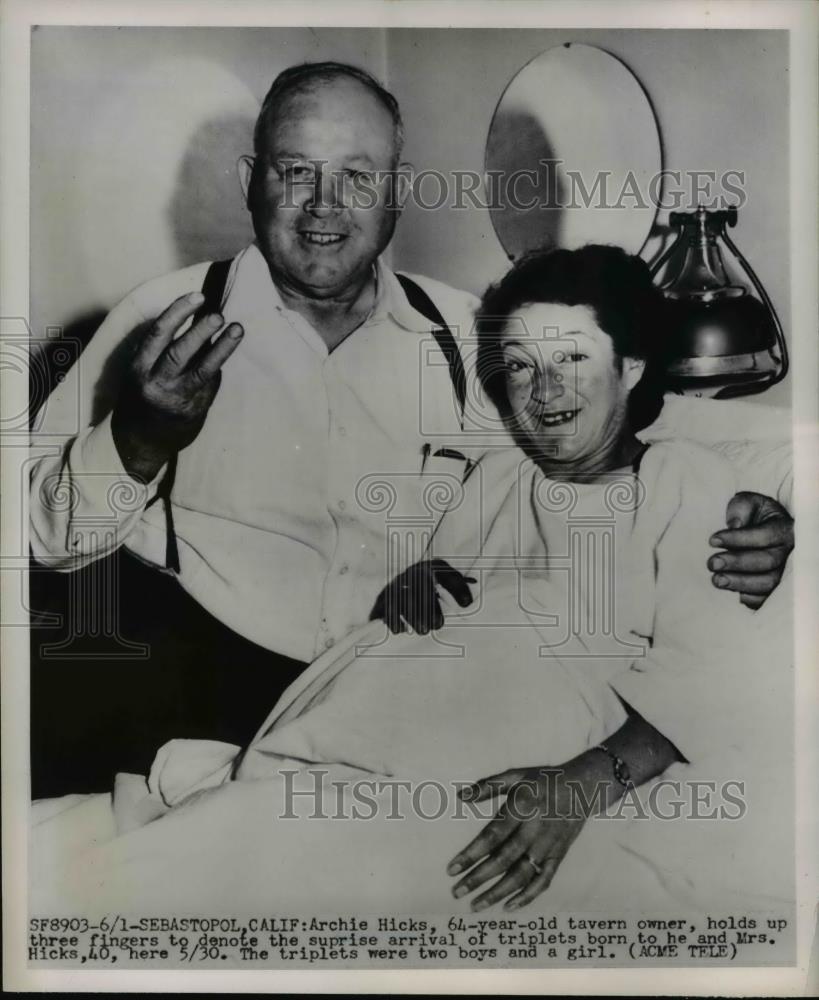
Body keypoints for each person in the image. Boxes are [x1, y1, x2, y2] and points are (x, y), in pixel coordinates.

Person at [29, 61, 793, 793]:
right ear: (248, 182)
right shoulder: (161, 322)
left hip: (397, 682)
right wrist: (140, 438)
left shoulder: (467, 332)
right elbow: (37, 535)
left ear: (396, 193)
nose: (324, 206)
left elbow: (607, 423)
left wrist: (755, 513)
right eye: (295, 171)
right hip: (195, 666)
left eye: (357, 176)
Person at [30, 246, 791, 918]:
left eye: (572, 359)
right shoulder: (493, 476)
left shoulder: (682, 481)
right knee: (263, 834)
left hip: (536, 758)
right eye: (520, 365)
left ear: (628, 367)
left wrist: (582, 781)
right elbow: (427, 614)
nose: (543, 389)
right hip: (391, 737)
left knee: (253, 852)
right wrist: (413, 586)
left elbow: (709, 679)